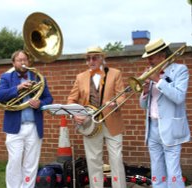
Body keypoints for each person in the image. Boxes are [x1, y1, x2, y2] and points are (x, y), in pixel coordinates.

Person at [67, 46, 127, 188]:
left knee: (116, 160)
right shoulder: (80, 77)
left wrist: (115, 103)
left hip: (112, 123)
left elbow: (122, 96)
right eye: (88, 58)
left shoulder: (115, 73)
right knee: (94, 161)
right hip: (91, 125)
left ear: (102, 58)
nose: (91, 61)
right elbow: (71, 99)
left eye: (94, 57)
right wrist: (75, 114)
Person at [0, 50, 53, 188]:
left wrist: (41, 104)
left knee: (31, 164)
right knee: (14, 162)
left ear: (29, 62)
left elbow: (48, 98)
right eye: (19, 60)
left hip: (34, 126)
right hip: (15, 128)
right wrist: (18, 88)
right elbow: (0, 95)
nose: (22, 62)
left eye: (25, 60)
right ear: (13, 63)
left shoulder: (39, 78)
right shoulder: (6, 78)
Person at [139, 38, 191, 188]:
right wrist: (145, 91)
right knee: (156, 170)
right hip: (152, 128)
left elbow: (179, 97)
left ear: (162, 55)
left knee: (173, 173)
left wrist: (158, 80)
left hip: (171, 128)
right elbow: (143, 105)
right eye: (148, 57)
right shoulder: (148, 72)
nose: (149, 60)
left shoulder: (180, 70)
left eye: (151, 57)